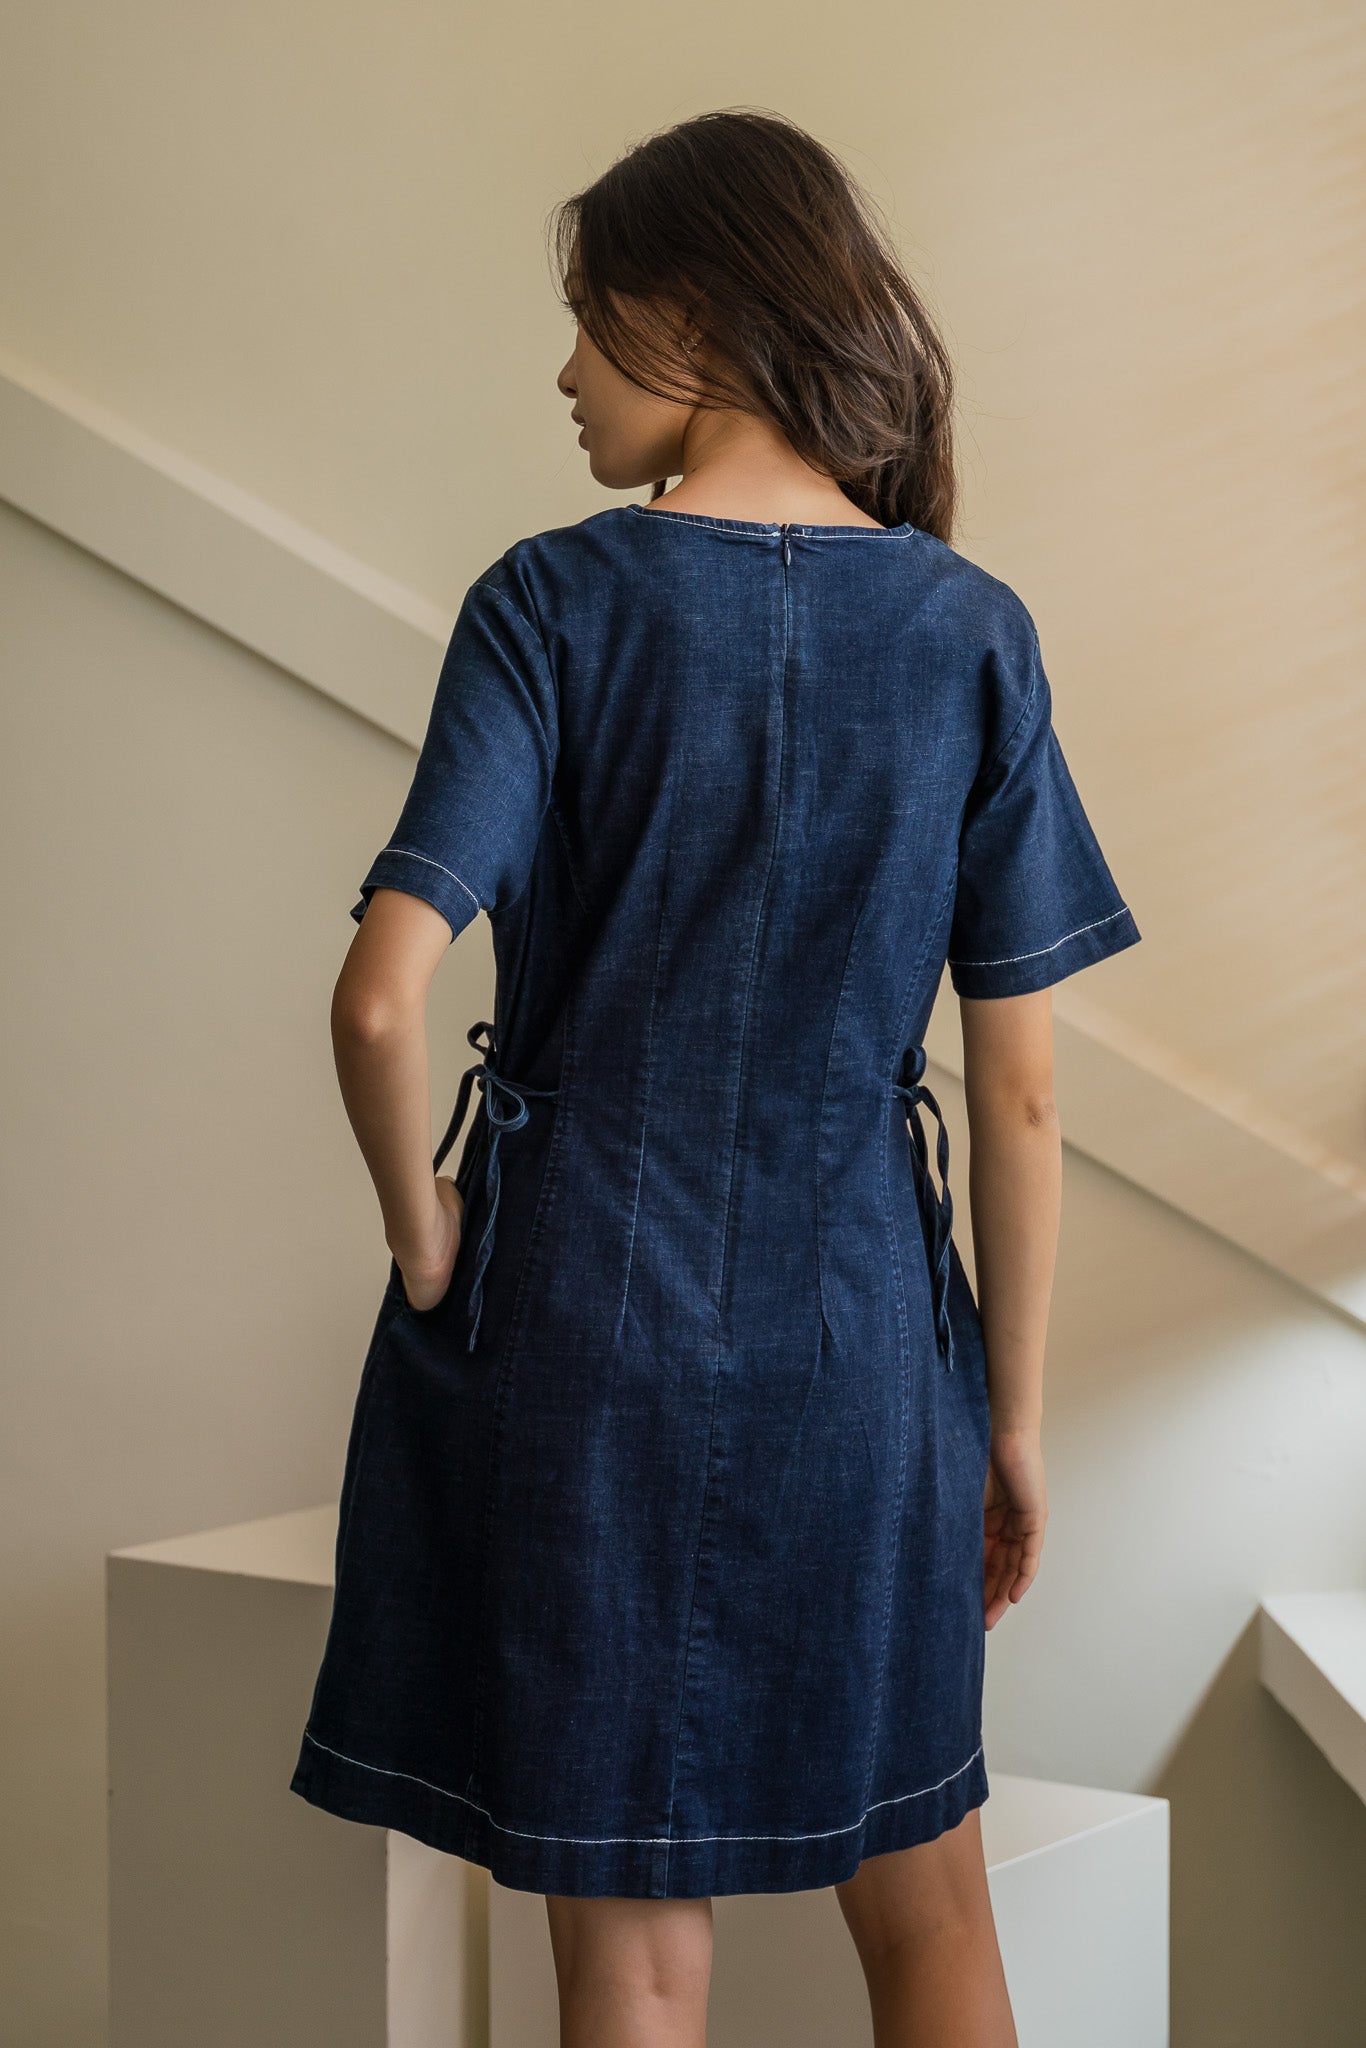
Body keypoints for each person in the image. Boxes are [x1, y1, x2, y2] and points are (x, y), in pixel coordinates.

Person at [289, 106, 1141, 2048]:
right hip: (866, 1349)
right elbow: (1014, 1094)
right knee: (929, 1920)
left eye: (587, 322)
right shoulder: (968, 634)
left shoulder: (549, 602)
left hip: (581, 1336)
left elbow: (372, 1000)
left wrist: (432, 1253)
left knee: (633, 1963)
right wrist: (1005, 1424)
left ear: (690, 316)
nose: (565, 372)